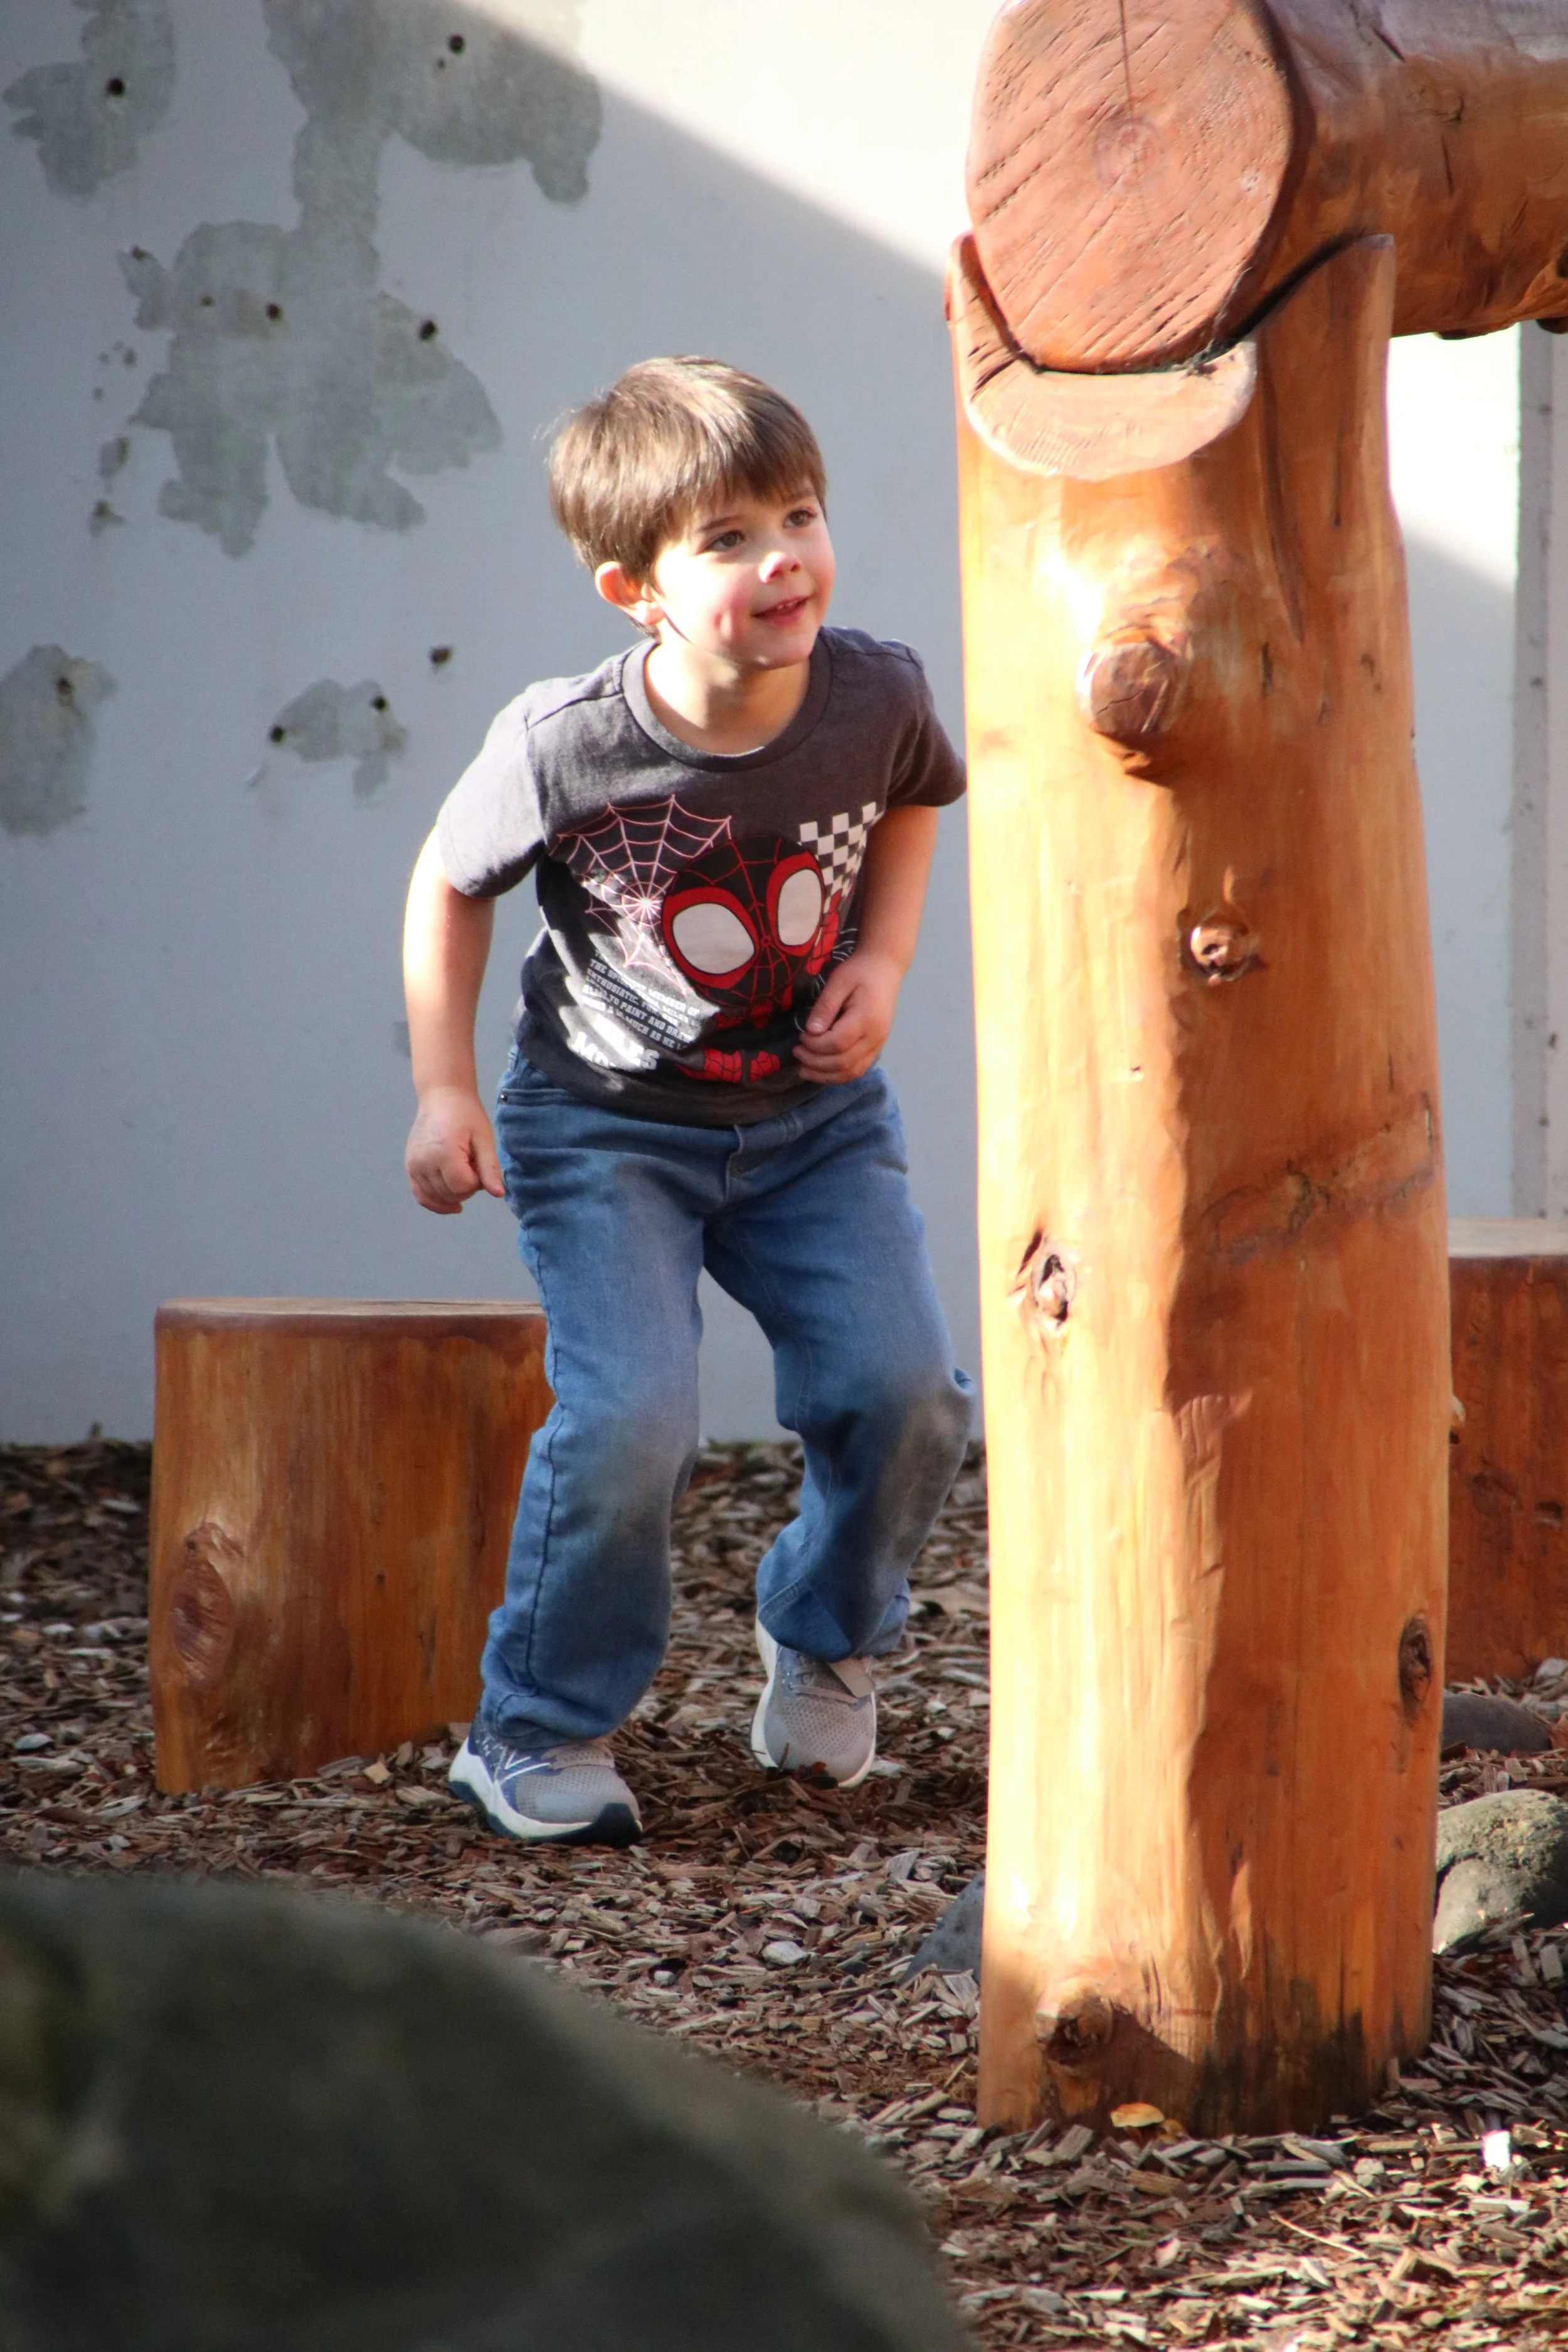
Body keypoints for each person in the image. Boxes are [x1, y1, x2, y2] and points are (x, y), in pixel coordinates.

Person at [402, 356, 973, 1846]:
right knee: (631, 1419)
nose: (781, 557)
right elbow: (448, 886)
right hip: (606, 1131)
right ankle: (535, 1727)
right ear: (631, 588)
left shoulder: (873, 693)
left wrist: (889, 959)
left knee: (905, 1394)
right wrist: (442, 1086)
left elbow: (918, 792)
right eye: (726, 539)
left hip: (812, 1128)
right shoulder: (569, 740)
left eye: (796, 514)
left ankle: (826, 1632)